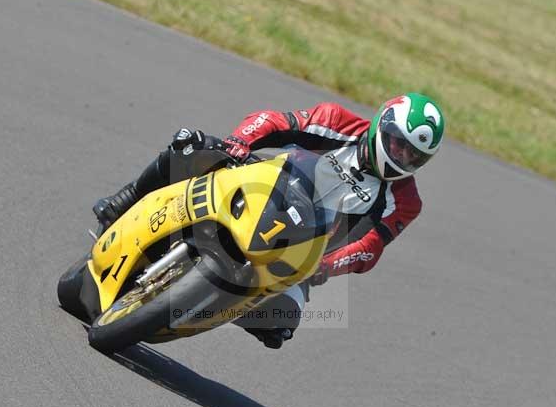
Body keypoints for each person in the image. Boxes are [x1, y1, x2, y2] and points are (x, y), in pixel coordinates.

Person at [93, 94, 445, 349]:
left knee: (281, 323)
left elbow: (369, 249)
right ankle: (126, 198)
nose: (403, 156)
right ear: (382, 125)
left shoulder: (405, 201)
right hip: (263, 189)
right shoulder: (338, 121)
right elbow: (275, 122)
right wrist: (239, 142)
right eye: (399, 144)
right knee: (189, 145)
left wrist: (328, 265)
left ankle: (201, 309)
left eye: (415, 155)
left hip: (301, 255)